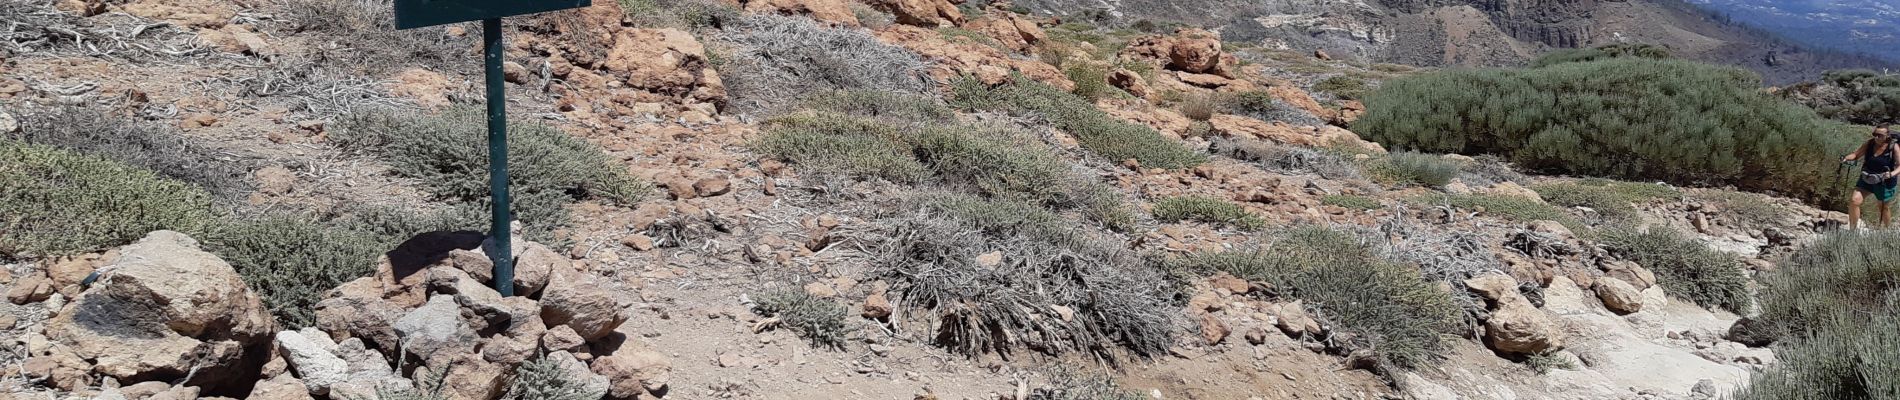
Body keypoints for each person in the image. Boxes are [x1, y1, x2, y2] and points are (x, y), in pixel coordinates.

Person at [1843, 124, 1897, 231]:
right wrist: (1846, 158)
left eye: (1880, 135)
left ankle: (1887, 231)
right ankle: (1852, 231)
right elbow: (1856, 155)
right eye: (1874, 134)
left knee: (1883, 207)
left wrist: (1891, 174)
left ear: (1887, 135)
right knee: (1854, 201)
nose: (1876, 137)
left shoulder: (1893, 147)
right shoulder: (1869, 143)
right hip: (1867, 178)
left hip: (1884, 181)